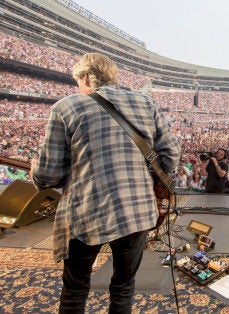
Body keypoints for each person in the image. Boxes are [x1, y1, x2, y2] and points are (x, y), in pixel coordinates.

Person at [31, 53, 181, 313]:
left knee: (75, 289)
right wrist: (146, 180)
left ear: (87, 78)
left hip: (86, 212)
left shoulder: (66, 107)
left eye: (78, 81)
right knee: (123, 286)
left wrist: (36, 171)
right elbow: (170, 155)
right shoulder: (146, 102)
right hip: (137, 211)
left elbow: (48, 176)